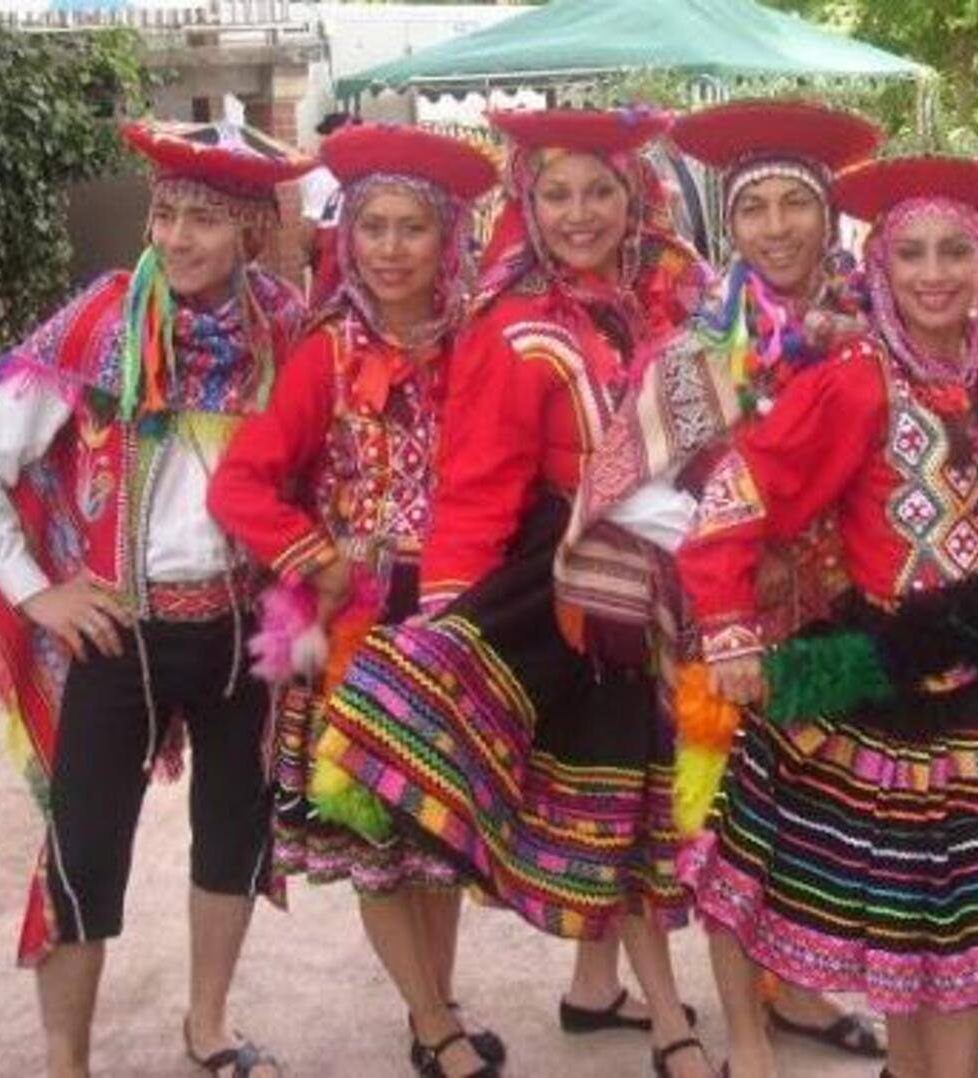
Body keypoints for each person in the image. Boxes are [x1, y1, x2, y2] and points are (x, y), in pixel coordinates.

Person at [306, 107, 718, 1078]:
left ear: (636, 197)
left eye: (600, 190)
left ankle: (597, 991)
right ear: (526, 204)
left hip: (667, 591)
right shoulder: (511, 324)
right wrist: (450, 630)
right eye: (557, 193)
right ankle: (669, 1021)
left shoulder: (677, 305)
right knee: (625, 810)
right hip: (570, 594)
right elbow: (479, 488)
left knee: (653, 803)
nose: (580, 212)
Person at [0, 118, 313, 1078]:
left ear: (251, 234)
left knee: (234, 832)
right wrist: (35, 591)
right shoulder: (105, 324)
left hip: (240, 638)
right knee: (82, 849)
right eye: (165, 215)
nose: (177, 239)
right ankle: (67, 1061)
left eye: (204, 221)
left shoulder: (286, 331)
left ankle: (209, 1026)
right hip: (116, 636)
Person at [676, 155, 978, 1078]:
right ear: (878, 264)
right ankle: (767, 1045)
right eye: (909, 253)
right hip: (852, 677)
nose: (932, 274)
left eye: (955, 251)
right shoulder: (828, 374)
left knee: (961, 938)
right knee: (848, 910)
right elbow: (731, 493)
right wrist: (727, 627)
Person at [553, 97, 893, 1068]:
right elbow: (618, 489)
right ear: (729, 226)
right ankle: (745, 1028)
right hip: (722, 633)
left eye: (796, 205)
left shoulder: (875, 334)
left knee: (820, 822)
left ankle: (802, 992)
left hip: (839, 625)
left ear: (830, 218)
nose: (777, 228)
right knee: (734, 829)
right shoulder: (695, 351)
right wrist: (740, 542)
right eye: (755, 210)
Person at [205, 122, 506, 1078]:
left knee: (439, 833)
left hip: (454, 615)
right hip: (361, 627)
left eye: (410, 228)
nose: (387, 248)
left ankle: (440, 1004)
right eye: (370, 226)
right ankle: (430, 1024)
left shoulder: (484, 344)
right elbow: (241, 484)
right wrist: (319, 559)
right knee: (379, 834)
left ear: (447, 237)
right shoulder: (326, 353)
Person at [302, 111, 359, 306]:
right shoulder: (321, 175)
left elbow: (309, 227)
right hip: (335, 254)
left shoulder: (320, 174)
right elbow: (311, 227)